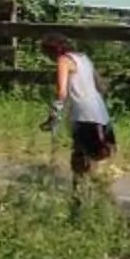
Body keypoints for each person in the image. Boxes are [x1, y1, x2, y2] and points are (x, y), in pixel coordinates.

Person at [41, 33, 116, 183]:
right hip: (100, 112)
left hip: (83, 114)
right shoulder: (84, 58)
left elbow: (61, 92)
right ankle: (92, 189)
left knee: (80, 156)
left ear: (53, 51)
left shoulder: (63, 60)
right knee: (100, 152)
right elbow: (101, 86)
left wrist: (53, 116)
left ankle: (80, 193)